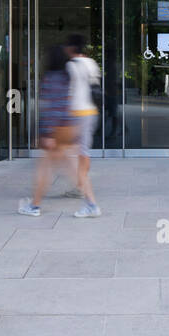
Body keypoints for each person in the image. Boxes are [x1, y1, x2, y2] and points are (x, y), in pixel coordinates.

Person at [18, 44, 75, 217]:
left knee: (45, 169)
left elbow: (53, 108)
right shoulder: (67, 77)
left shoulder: (51, 78)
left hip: (56, 129)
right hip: (68, 127)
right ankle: (86, 194)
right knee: (66, 163)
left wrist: (47, 133)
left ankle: (35, 206)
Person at [64, 32, 101, 218]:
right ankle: (81, 185)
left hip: (78, 114)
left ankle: (89, 199)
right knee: (81, 151)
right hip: (91, 112)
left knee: (74, 153)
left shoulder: (71, 65)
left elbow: (70, 93)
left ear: (71, 47)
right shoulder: (91, 63)